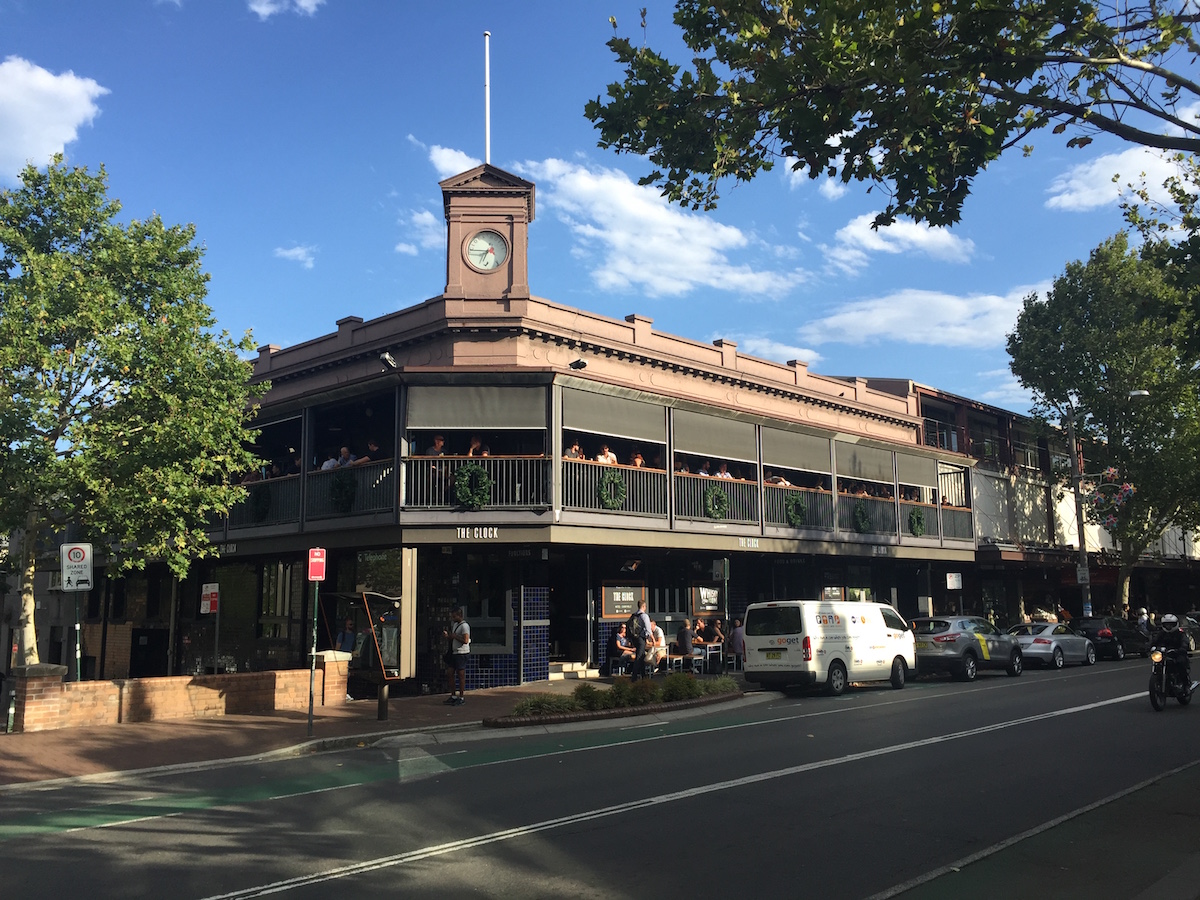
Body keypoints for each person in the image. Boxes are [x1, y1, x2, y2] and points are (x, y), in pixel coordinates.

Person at [1151, 613, 1192, 689]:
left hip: (1177, 653)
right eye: (1166, 625)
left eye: (1171, 624)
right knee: (1158, 662)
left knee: (1180, 663)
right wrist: (1147, 647)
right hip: (1164, 654)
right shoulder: (1161, 634)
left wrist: (1182, 648)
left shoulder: (1180, 634)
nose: (1168, 626)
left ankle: (1186, 684)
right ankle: (1160, 680)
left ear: (1175, 624)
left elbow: (1185, 642)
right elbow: (1154, 641)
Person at [442, 607, 471, 705]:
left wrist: (455, 637)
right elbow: (453, 637)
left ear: (459, 616)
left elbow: (465, 640)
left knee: (460, 674)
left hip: (462, 653)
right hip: (454, 652)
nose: (453, 618)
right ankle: (453, 695)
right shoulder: (455, 625)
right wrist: (448, 636)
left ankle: (461, 697)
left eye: (454, 616)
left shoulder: (465, 626)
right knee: (450, 673)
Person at [629, 599, 652, 681]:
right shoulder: (644, 616)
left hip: (634, 638)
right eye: (645, 606)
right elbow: (648, 629)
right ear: (643, 606)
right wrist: (649, 638)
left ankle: (643, 675)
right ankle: (634, 677)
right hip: (641, 638)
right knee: (639, 657)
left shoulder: (634, 615)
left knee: (641, 656)